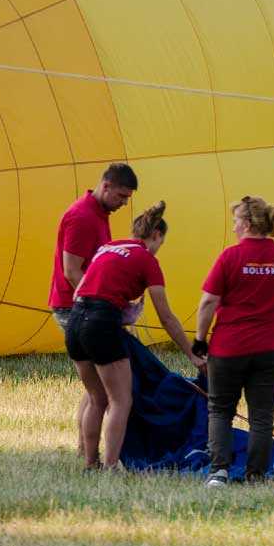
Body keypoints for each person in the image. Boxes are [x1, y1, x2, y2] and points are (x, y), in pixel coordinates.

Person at [65, 201, 200, 471]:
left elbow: (89, 287)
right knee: (120, 400)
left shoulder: (107, 248)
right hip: (101, 324)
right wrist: (192, 354)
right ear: (157, 235)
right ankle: (111, 466)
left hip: (75, 321)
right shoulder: (147, 260)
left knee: (96, 398)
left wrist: (120, 308)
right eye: (161, 241)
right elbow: (167, 317)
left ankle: (90, 463)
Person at [194, 196, 274, 485]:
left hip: (229, 346)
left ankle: (219, 471)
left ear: (246, 224)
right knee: (262, 415)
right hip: (271, 348)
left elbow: (208, 302)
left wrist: (199, 339)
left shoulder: (230, 257)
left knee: (220, 410)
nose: (234, 228)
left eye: (235, 221)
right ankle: (255, 475)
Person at [48, 162, 139, 466]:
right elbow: (73, 271)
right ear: (106, 185)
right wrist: (101, 305)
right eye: (121, 196)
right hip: (75, 306)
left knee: (94, 390)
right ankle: (95, 459)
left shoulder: (99, 214)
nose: (123, 203)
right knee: (102, 393)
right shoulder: (81, 217)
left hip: (85, 306)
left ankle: (84, 451)